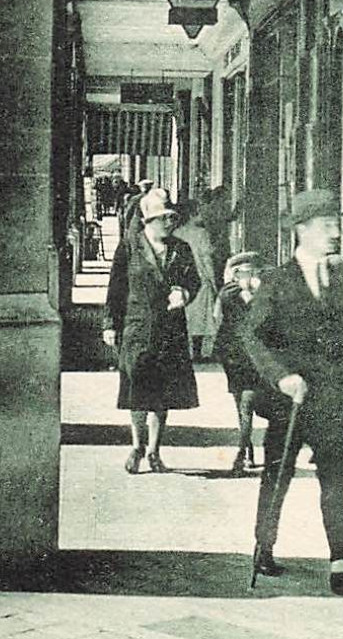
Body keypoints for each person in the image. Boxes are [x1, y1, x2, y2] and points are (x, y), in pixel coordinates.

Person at [241, 189, 343, 596]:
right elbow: (252, 337)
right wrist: (282, 377)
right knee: (276, 477)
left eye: (337, 223)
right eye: (326, 225)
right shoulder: (278, 281)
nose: (336, 231)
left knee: (335, 482)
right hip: (289, 405)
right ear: (302, 230)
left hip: (332, 402)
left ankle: (341, 562)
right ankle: (264, 544)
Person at [104, 188, 201, 474]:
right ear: (147, 221)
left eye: (170, 217)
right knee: (138, 390)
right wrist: (110, 324)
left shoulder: (181, 249)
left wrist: (184, 293)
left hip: (170, 330)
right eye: (161, 218)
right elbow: (115, 290)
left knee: (162, 394)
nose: (168, 223)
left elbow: (194, 281)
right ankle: (136, 445)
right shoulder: (129, 247)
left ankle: (154, 451)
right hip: (138, 328)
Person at [215, 250, 271, 474]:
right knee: (243, 402)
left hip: (258, 356)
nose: (252, 276)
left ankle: (244, 450)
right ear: (236, 274)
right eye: (247, 272)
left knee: (247, 402)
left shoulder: (266, 292)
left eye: (256, 271)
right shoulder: (229, 292)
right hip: (235, 355)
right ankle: (245, 449)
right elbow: (221, 311)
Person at [174, 200, 221, 360]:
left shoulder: (176, 232)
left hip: (182, 280)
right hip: (200, 280)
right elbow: (207, 260)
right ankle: (198, 353)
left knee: (186, 318)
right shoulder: (202, 233)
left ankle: (185, 352)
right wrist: (214, 283)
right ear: (192, 214)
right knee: (200, 320)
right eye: (199, 211)